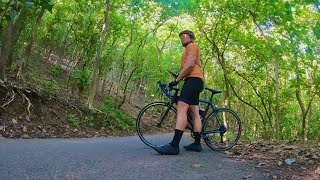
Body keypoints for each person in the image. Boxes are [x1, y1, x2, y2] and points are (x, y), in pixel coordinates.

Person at [154, 30, 204, 155]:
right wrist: (178, 78)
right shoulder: (188, 48)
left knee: (182, 107)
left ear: (191, 38)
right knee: (194, 112)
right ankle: (197, 144)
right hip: (197, 81)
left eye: (184, 36)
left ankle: (174, 145)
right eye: (180, 37)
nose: (182, 38)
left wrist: (176, 81)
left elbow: (190, 65)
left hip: (193, 80)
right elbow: (188, 67)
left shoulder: (192, 46)